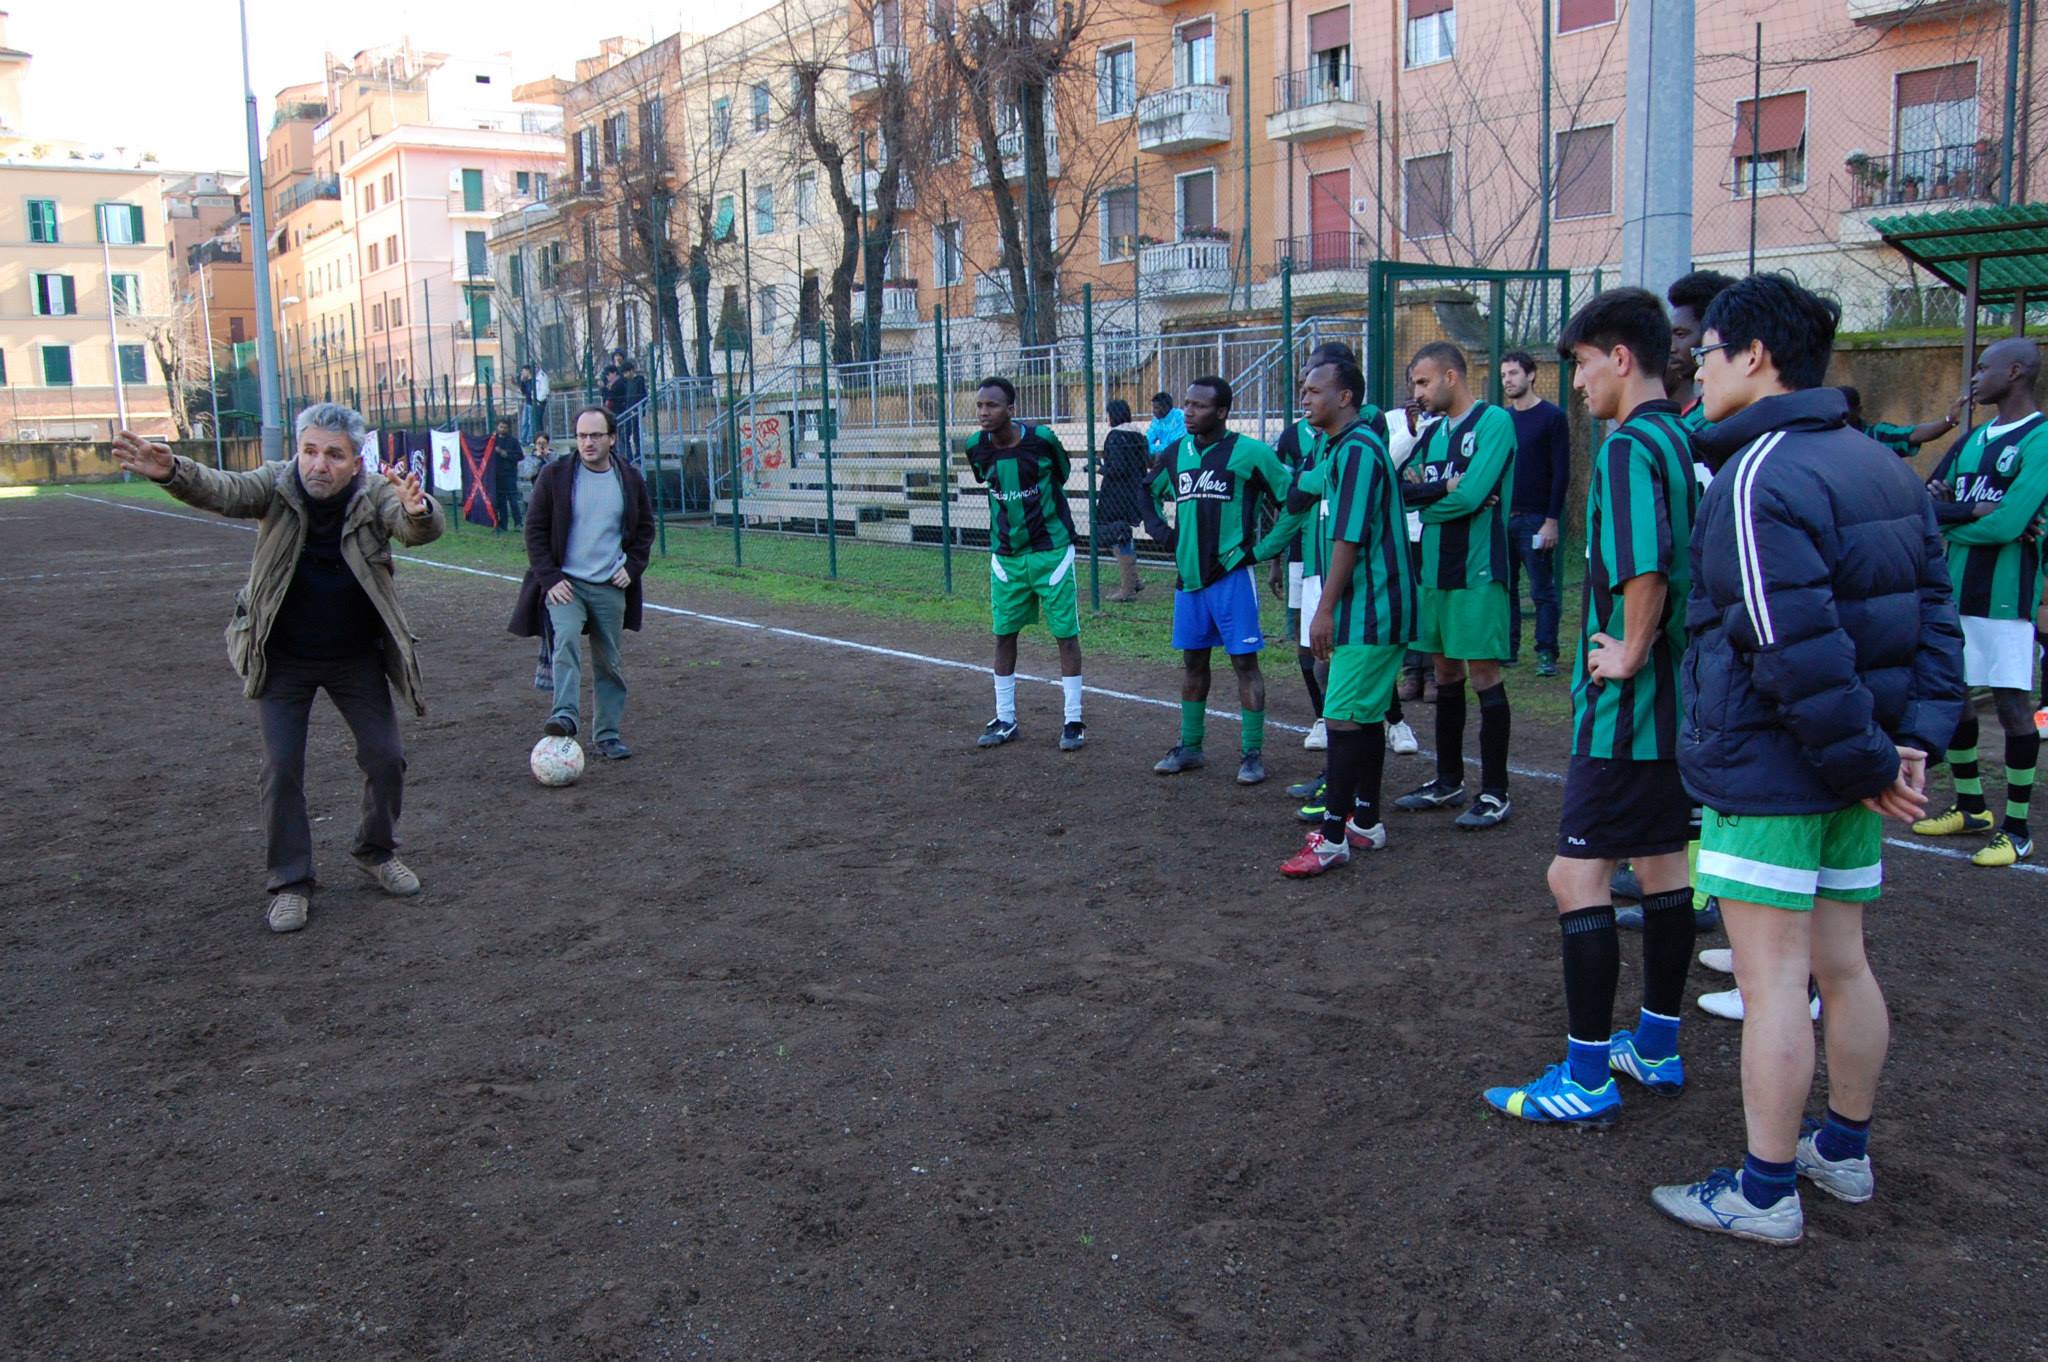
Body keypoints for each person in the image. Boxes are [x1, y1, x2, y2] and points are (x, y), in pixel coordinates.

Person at [1651, 272, 1963, 1245]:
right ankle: (1843, 1151)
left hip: (1778, 770)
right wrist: (1904, 745)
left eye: (1702, 351)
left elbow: (1787, 644)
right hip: (1849, 768)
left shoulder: (1755, 473)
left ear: (1751, 355)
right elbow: (1931, 625)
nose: (1692, 367)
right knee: (1842, 964)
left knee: (1772, 981)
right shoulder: (1879, 466)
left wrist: (1866, 757)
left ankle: (1763, 1189)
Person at [1481, 289, 1700, 1126]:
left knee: (1574, 876)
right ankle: (1654, 1044)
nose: (1574, 381)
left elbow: (1646, 564)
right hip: (1680, 704)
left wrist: (1633, 647)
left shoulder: (1626, 447)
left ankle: (1585, 1077)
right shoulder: (1684, 435)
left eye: (1578, 362)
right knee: (1664, 866)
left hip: (1630, 706)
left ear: (1620, 357)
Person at [109, 404, 445, 934]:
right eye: (310, 450)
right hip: (282, 656)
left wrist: (420, 508)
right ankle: (290, 882)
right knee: (282, 768)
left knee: (387, 759)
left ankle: (376, 851)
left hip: (355, 656)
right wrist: (174, 471)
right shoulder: (277, 485)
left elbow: (413, 527)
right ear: (298, 451)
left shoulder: (374, 493)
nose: (319, 464)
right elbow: (224, 489)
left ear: (355, 461)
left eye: (334, 455)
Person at [1264, 356, 1417, 876]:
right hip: (1372, 604)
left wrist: (1323, 610)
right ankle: (1366, 822)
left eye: (1313, 391)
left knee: (1342, 715)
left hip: (1371, 607)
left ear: (1345, 397)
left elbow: (1349, 536)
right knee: (1365, 715)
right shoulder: (1336, 448)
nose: (1304, 399)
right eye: (1303, 390)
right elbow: (1301, 496)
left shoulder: (1357, 451)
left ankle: (1331, 839)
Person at [1911, 338, 2048, 867]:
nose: (1974, 377)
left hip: (2006, 597)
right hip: (1954, 592)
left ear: (2015, 372)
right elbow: (1925, 504)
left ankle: (2017, 829)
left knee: (2013, 706)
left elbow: (2012, 523)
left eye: (1984, 367)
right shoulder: (1971, 439)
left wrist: (1962, 515)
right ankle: (1971, 808)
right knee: (1958, 697)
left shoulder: (2039, 438)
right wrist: (1973, 513)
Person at [1395, 341, 1518, 829]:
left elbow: (1472, 497)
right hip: (1435, 572)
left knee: (1484, 676)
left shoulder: (1494, 423)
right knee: (1445, 676)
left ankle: (1496, 792)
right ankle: (1448, 780)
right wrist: (1441, 495)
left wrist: (1434, 502)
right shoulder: (1431, 435)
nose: (1417, 393)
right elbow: (1400, 490)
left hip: (1478, 572)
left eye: (1423, 383)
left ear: (1451, 377)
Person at [1150, 375, 1291, 785]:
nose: (1188, 412)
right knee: (1193, 663)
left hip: (1231, 578)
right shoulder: (1176, 453)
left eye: (1199, 406)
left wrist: (1264, 553)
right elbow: (1148, 491)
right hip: (1189, 579)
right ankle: (1190, 747)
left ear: (1223, 412)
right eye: (1187, 404)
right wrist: (1164, 534)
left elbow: (1292, 503)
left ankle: (1252, 754)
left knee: (1245, 663)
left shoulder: (1251, 453)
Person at [510, 404, 656, 761]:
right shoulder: (555, 475)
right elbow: (535, 531)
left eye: (595, 435)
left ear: (612, 438)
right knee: (566, 643)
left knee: (609, 662)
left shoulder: (630, 478)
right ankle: (564, 716)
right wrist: (550, 578)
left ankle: (607, 735)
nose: (587, 442)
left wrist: (632, 567)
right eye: (581, 436)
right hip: (566, 585)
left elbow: (645, 531)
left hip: (610, 585)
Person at [966, 377, 1087, 751]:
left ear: (1011, 409)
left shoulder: (1042, 439)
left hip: (1051, 552)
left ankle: (1073, 721)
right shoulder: (976, 447)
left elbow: (1062, 474)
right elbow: (985, 481)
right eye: (980, 406)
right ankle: (1005, 719)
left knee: (1065, 635)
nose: (985, 413)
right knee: (1004, 635)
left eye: (993, 406)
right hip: (1006, 557)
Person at [1502, 350, 1570, 676]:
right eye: (1503, 375)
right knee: (1505, 588)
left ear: (1531, 375)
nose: (1508, 380)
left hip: (1536, 519)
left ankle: (1546, 652)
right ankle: (1508, 649)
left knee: (1542, 589)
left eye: (1513, 373)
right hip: (1503, 518)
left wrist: (1551, 520)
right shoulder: (1502, 420)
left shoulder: (1552, 417)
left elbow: (1561, 472)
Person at [1097, 398, 1152, 603]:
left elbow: (1118, 469)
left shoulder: (1116, 436)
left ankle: (1128, 588)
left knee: (1115, 533)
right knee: (1123, 533)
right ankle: (1133, 580)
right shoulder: (1139, 435)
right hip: (1133, 492)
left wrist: (1099, 468)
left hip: (1116, 494)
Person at [1837, 385, 1966, 460]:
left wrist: (1948, 421)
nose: (1839, 416)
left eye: (1845, 411)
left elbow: (1912, 434)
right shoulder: (1820, 438)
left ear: (1858, 411)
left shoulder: (1876, 436)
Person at [520, 432, 556, 690]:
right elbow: (525, 473)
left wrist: (548, 456)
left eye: (545, 443)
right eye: (539, 444)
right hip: (535, 505)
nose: (542, 447)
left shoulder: (557, 461)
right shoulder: (529, 460)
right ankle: (549, 675)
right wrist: (536, 457)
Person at [490, 415, 525, 531]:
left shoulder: (513, 441)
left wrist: (505, 454)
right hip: (497, 475)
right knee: (501, 502)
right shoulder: (492, 441)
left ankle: (518, 523)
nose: (503, 429)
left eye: (505, 427)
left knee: (513, 500)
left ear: (508, 428)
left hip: (509, 474)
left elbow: (520, 456)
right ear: (497, 427)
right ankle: (503, 524)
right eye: (501, 427)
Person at [1146, 391, 1186, 462]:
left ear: (1166, 407)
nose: (1153, 411)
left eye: (1156, 408)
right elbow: (1147, 440)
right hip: (1163, 454)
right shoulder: (1157, 419)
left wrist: (1150, 448)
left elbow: (1175, 446)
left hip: (1181, 454)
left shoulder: (1180, 417)